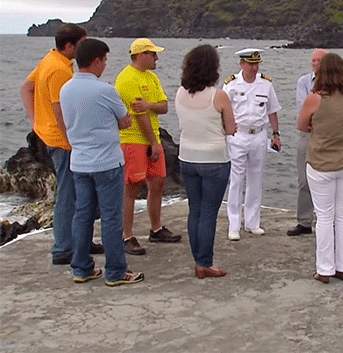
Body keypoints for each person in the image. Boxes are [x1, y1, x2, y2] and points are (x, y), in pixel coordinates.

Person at [59, 38, 144, 286]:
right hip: (106, 162)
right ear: (96, 60)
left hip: (80, 162)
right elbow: (125, 119)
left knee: (82, 215)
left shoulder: (65, 89)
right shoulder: (105, 90)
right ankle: (116, 271)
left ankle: (82, 267)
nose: (105, 65)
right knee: (110, 217)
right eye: (105, 60)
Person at [19, 23, 103, 265]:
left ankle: (80, 241)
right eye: (82, 43)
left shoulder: (50, 60)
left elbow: (26, 87)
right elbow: (60, 111)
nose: (84, 48)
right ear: (69, 46)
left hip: (49, 136)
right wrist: (72, 141)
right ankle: (63, 248)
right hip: (62, 141)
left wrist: (35, 122)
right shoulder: (59, 71)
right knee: (70, 195)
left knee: (78, 193)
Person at [115, 38, 181, 256]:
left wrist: (150, 105)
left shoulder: (151, 78)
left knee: (158, 182)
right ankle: (126, 235)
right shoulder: (126, 78)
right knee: (131, 187)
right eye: (152, 54)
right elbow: (138, 113)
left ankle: (156, 228)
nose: (156, 58)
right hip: (133, 139)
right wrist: (153, 142)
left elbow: (163, 107)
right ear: (140, 55)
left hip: (152, 138)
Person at [175, 44, 237, 279]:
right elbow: (230, 128)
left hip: (187, 157)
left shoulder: (180, 92)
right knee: (209, 211)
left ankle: (197, 259)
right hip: (214, 159)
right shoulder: (218, 95)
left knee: (195, 209)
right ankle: (205, 262)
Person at [297, 52, 343, 283]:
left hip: (321, 163)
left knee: (324, 216)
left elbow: (301, 124)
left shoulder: (315, 98)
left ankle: (324, 268)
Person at [223, 48, 282, 240]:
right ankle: (233, 224)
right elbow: (223, 111)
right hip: (237, 135)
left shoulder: (265, 84)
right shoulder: (231, 84)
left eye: (257, 64)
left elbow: (272, 110)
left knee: (256, 179)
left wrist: (276, 134)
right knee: (236, 180)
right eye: (251, 64)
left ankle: (252, 222)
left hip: (258, 135)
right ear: (242, 64)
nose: (255, 67)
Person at [287, 48, 327, 237]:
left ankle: (326, 220)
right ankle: (304, 221)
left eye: (319, 60)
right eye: (313, 60)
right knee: (304, 180)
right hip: (308, 134)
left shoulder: (336, 84)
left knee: (327, 179)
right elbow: (303, 108)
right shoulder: (303, 82)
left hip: (327, 136)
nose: (315, 63)